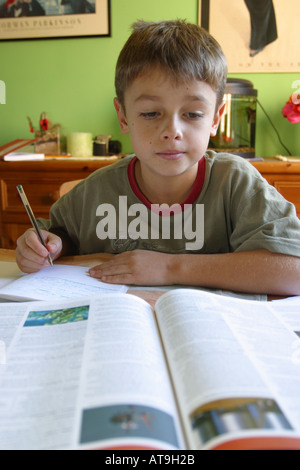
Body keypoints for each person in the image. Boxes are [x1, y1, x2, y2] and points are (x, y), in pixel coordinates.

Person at [16, 20, 300, 296]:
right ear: (123, 117)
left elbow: (294, 271)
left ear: (216, 118)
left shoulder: (235, 182)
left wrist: (169, 266)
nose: (171, 132)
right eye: (151, 113)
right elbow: (56, 234)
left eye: (193, 114)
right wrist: (46, 247)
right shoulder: (93, 193)